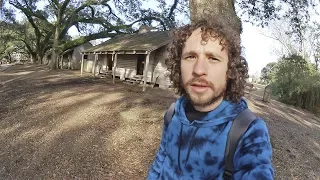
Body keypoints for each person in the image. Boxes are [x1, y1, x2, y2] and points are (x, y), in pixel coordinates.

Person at [147, 20, 274, 180]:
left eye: (213, 58)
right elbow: (161, 161)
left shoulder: (249, 132)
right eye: (190, 56)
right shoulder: (173, 114)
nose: (199, 70)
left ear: (230, 70)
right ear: (178, 64)